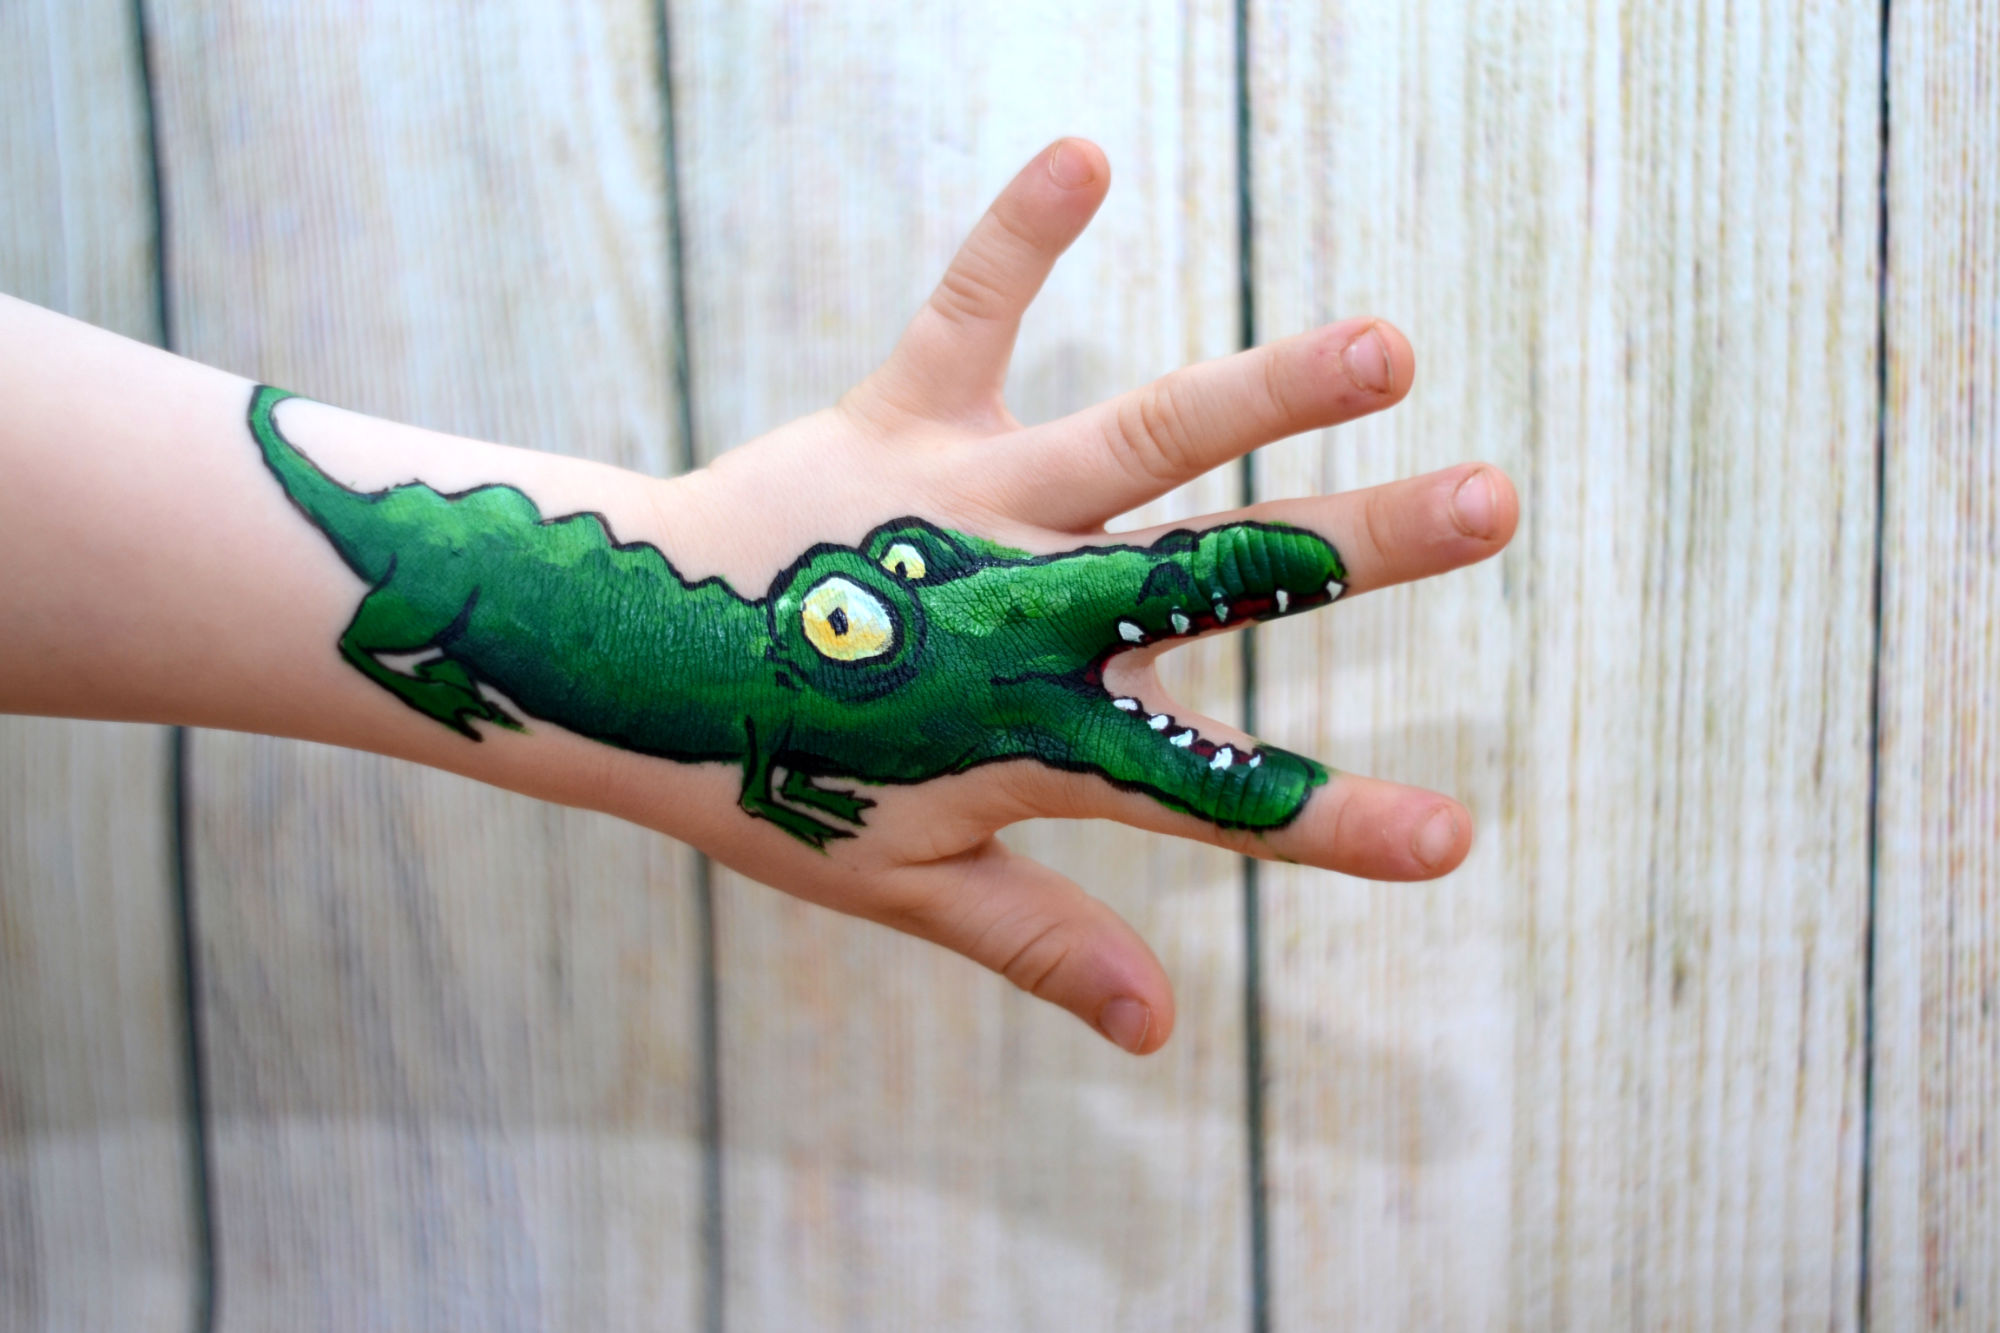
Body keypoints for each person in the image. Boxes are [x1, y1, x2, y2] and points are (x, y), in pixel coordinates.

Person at [0, 139, 1516, 1055]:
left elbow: (770, 742)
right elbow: (740, 740)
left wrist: (703, 550)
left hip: (627, 616)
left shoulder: (794, 684)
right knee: (423, 600)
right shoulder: (716, 668)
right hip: (479, 585)